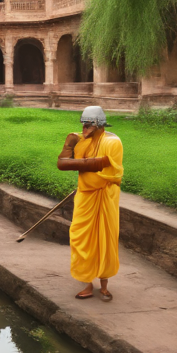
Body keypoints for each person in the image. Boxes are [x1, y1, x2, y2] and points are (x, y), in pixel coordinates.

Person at [57, 106, 123, 302]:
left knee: (105, 239)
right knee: (81, 238)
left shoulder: (113, 142)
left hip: (105, 195)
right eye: (83, 126)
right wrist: (69, 145)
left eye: (88, 126)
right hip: (85, 196)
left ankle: (104, 286)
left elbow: (106, 168)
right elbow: (63, 164)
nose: (84, 130)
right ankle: (87, 284)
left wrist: (78, 162)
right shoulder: (82, 142)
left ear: (99, 125)